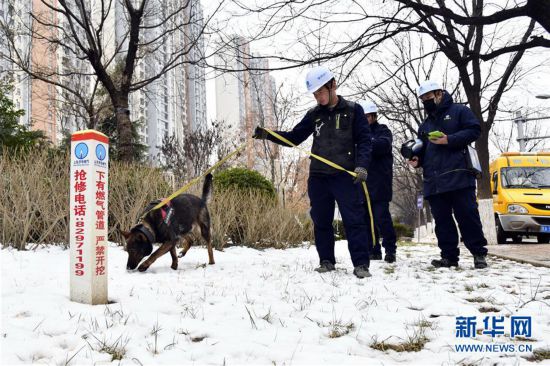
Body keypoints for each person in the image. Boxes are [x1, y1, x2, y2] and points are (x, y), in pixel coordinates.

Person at [253, 66, 373, 278]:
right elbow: (293, 138)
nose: (318, 97)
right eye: (315, 93)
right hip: (319, 177)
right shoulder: (314, 115)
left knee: (354, 220)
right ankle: (326, 261)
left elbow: (364, 141)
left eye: (321, 91)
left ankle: (361, 264)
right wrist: (267, 134)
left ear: (332, 85)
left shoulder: (354, 110)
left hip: (346, 175)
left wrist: (361, 165)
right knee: (321, 220)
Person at [407, 80, 488, 269]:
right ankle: (449, 256)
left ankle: (478, 254)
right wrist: (417, 161)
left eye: (428, 97)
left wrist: (449, 140)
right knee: (442, 221)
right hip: (434, 181)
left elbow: (475, 130)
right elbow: (423, 150)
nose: (426, 101)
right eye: (423, 99)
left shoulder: (459, 111)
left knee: (467, 216)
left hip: (459, 175)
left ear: (439, 94)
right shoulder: (424, 125)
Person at [358, 100, 397, 263]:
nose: (365, 120)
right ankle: (373, 250)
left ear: (373, 116)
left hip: (380, 183)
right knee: (366, 219)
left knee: (381, 217)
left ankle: (390, 249)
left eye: (367, 116)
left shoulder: (383, 131)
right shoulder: (357, 134)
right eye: (362, 117)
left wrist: (366, 143)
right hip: (363, 183)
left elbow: (384, 145)